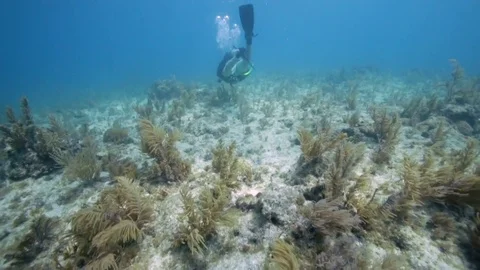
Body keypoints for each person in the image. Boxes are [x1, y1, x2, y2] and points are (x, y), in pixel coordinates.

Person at [217, 4, 255, 85]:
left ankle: (248, 39)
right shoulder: (228, 76)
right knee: (245, 63)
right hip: (235, 66)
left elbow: (227, 69)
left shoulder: (225, 76)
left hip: (233, 66)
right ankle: (249, 38)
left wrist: (237, 56)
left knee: (227, 72)